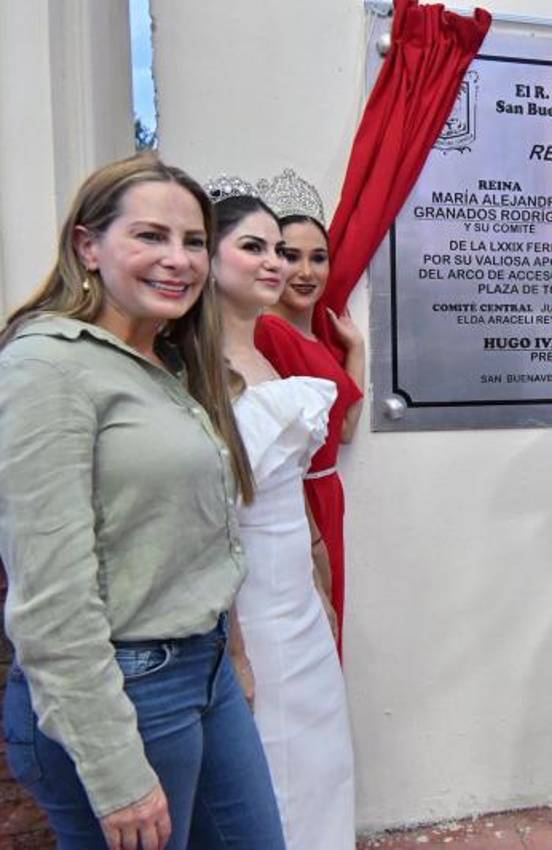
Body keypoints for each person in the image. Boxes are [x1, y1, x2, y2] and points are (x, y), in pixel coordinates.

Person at [0, 154, 286, 850]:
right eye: (150, 237)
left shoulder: (169, 361)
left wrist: (234, 651)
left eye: (192, 241)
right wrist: (112, 768)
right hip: (123, 690)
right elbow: (50, 598)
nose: (178, 260)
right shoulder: (48, 367)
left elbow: (201, 534)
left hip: (204, 669)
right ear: (87, 246)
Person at [207, 181, 356, 849]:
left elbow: (292, 482)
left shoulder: (268, 354)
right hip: (249, 600)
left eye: (279, 248)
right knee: (270, 768)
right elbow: (209, 516)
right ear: (207, 257)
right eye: (253, 247)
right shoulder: (195, 366)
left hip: (296, 593)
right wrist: (231, 643)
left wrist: (319, 583)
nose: (276, 262)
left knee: (321, 758)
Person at [253, 169, 364, 654]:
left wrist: (355, 349)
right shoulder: (268, 334)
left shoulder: (314, 334)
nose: (305, 271)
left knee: (330, 626)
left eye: (318, 258)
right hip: (298, 502)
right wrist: (312, 545)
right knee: (311, 630)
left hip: (327, 494)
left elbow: (346, 429)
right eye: (289, 256)